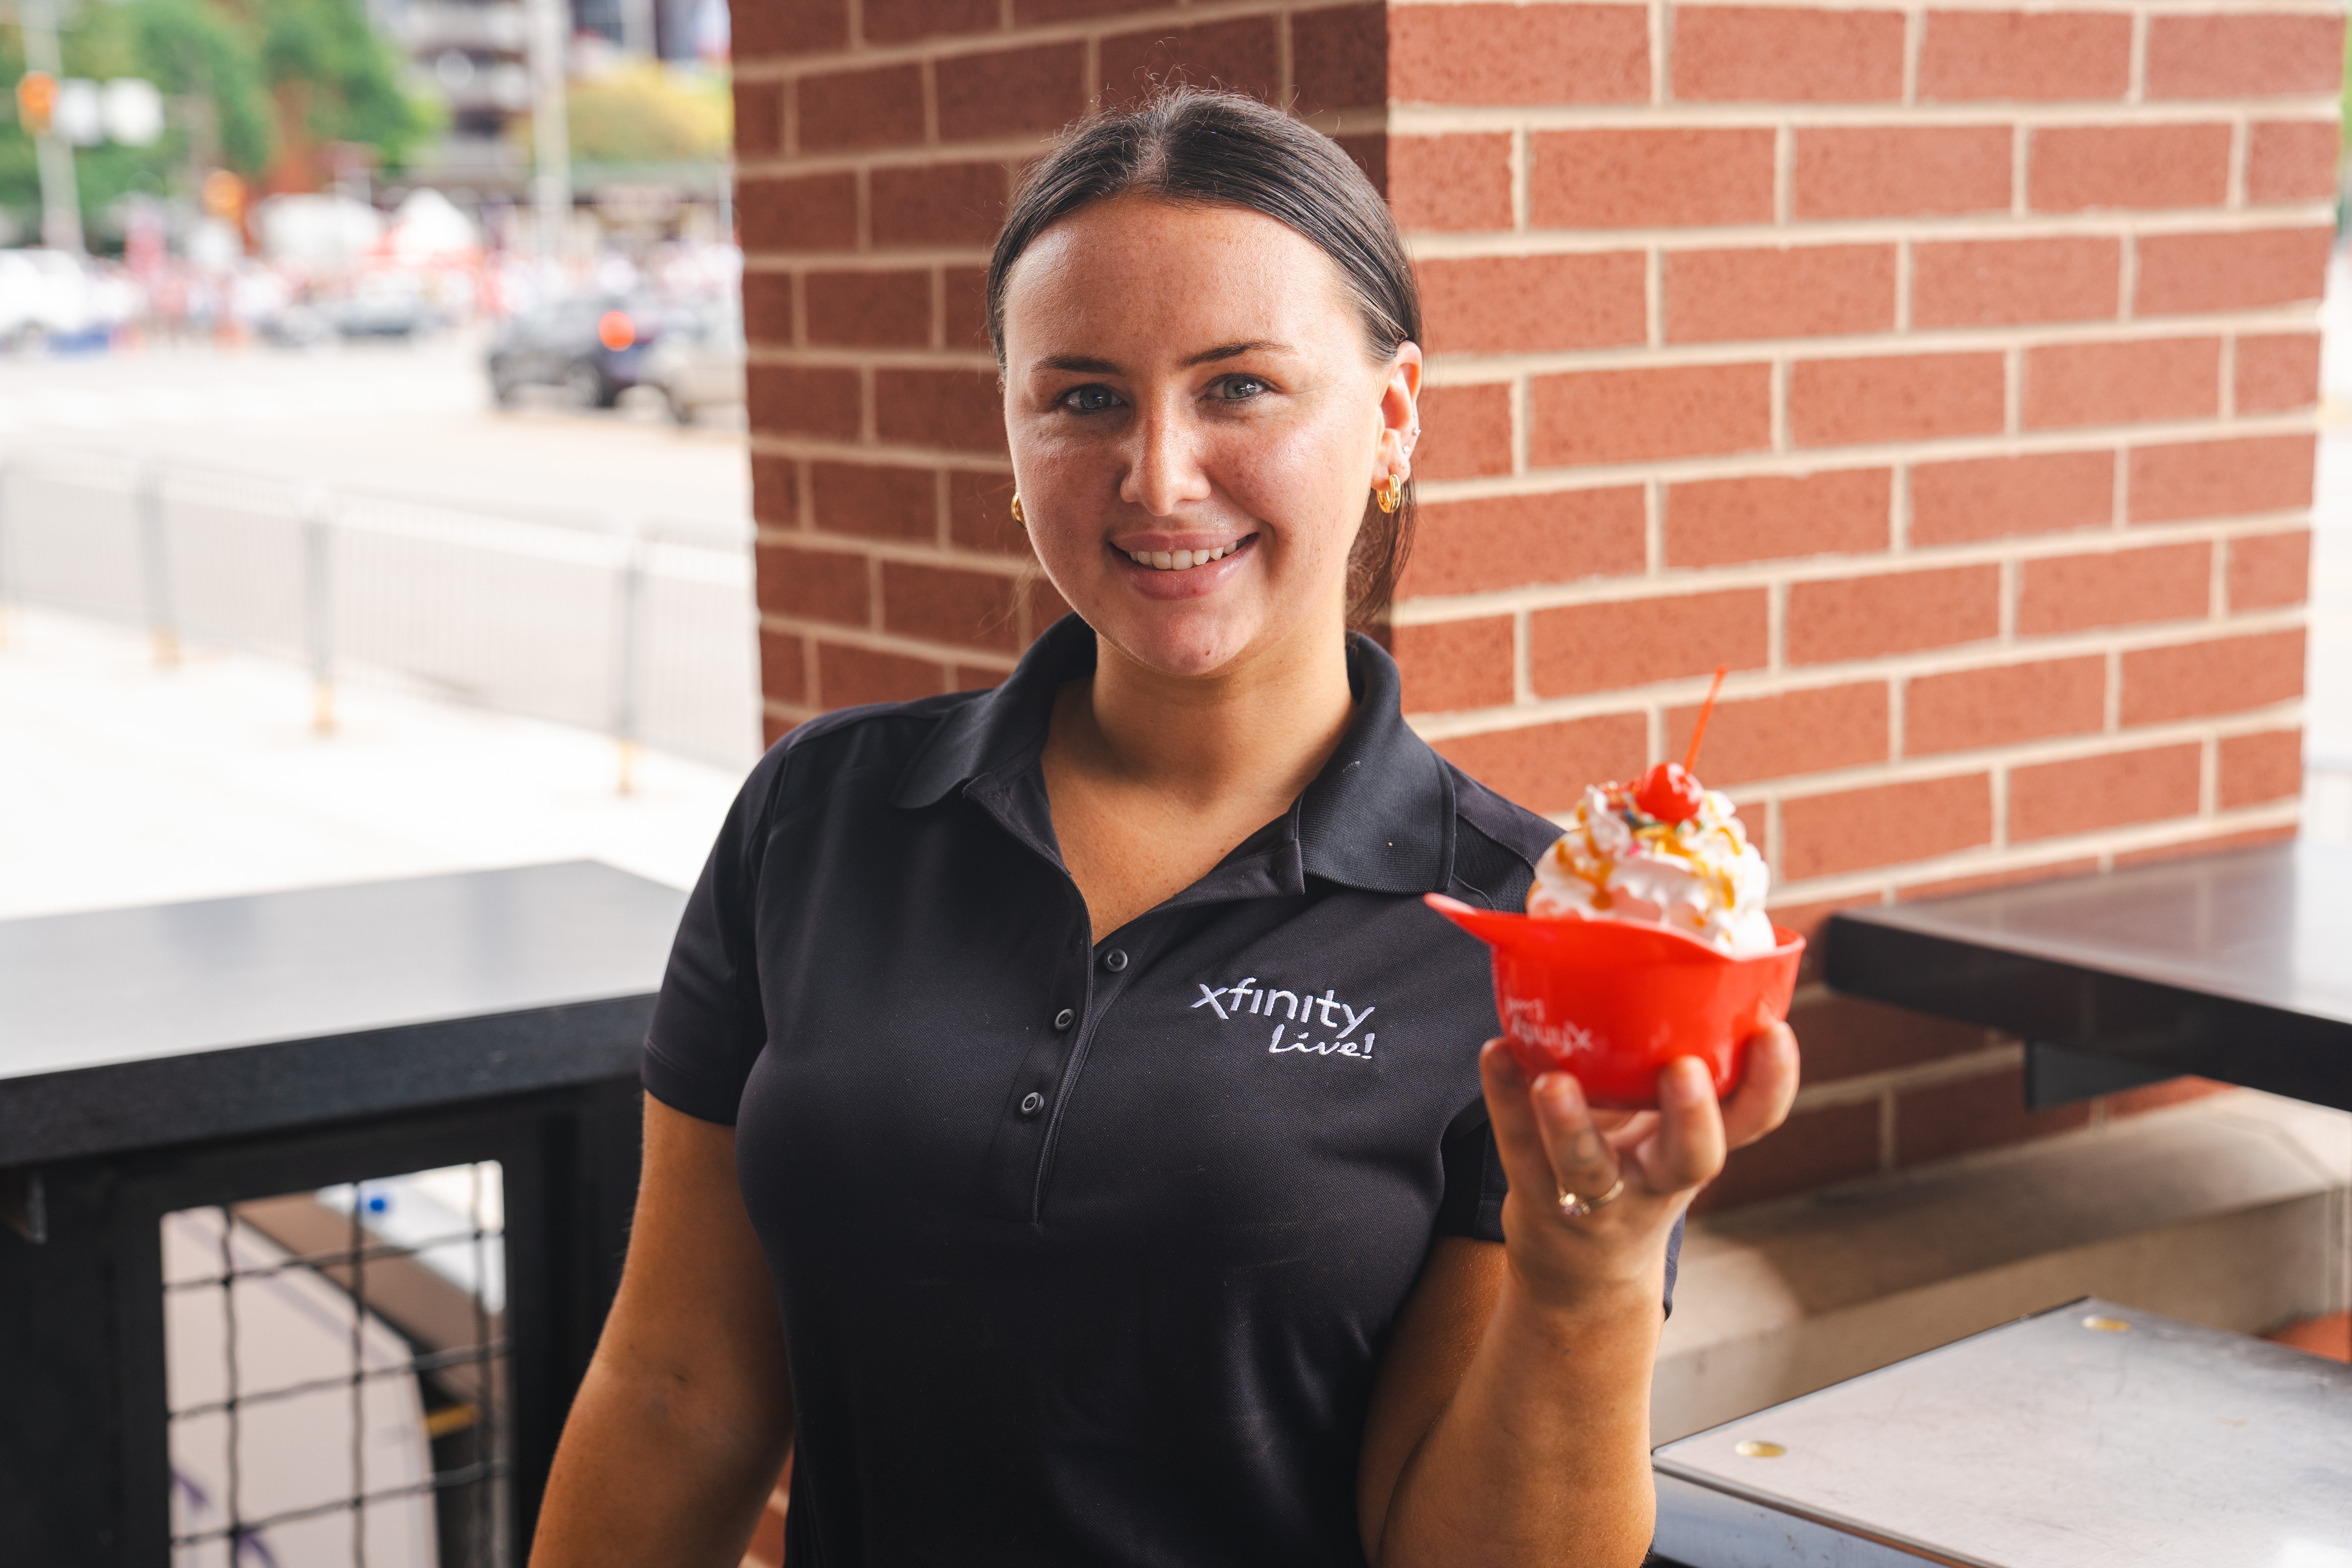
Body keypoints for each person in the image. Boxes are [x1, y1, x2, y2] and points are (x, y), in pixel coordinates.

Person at [531, 90, 1800, 1568]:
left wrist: (1590, 1280)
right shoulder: (822, 815)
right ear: (1013, 431)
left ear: (1393, 416)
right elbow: (676, 1391)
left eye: (1240, 387)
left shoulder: (1526, 938)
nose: (1159, 476)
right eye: (1083, 399)